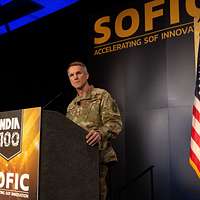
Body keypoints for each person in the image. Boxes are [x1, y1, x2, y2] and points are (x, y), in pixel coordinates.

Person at [66, 61, 122, 200]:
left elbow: (115, 123)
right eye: (71, 75)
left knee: (94, 195)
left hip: (96, 158)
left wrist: (100, 133)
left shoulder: (101, 95)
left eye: (78, 73)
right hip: (76, 160)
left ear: (87, 75)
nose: (75, 77)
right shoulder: (71, 106)